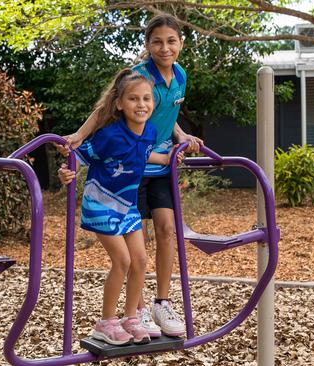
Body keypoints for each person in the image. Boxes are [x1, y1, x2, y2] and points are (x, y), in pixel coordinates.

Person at [59, 14, 202, 338]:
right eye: (157, 41)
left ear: (181, 43)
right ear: (147, 45)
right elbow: (109, 107)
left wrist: (180, 136)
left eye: (171, 41)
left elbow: (164, 114)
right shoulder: (138, 76)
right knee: (134, 249)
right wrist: (80, 137)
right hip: (130, 171)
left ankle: (160, 303)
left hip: (158, 162)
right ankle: (133, 313)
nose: (165, 48)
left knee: (166, 230)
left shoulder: (180, 75)